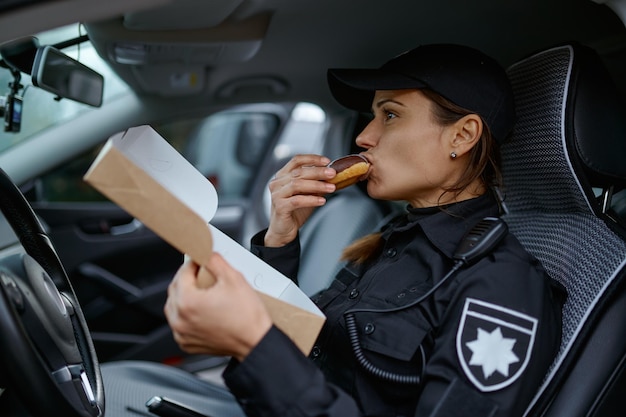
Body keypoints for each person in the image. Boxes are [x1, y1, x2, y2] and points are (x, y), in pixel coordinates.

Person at [102, 43, 566, 417]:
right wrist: (280, 237)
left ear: (461, 136)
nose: (364, 137)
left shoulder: (501, 285)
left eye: (390, 114)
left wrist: (251, 342)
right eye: (372, 116)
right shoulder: (396, 239)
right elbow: (314, 348)